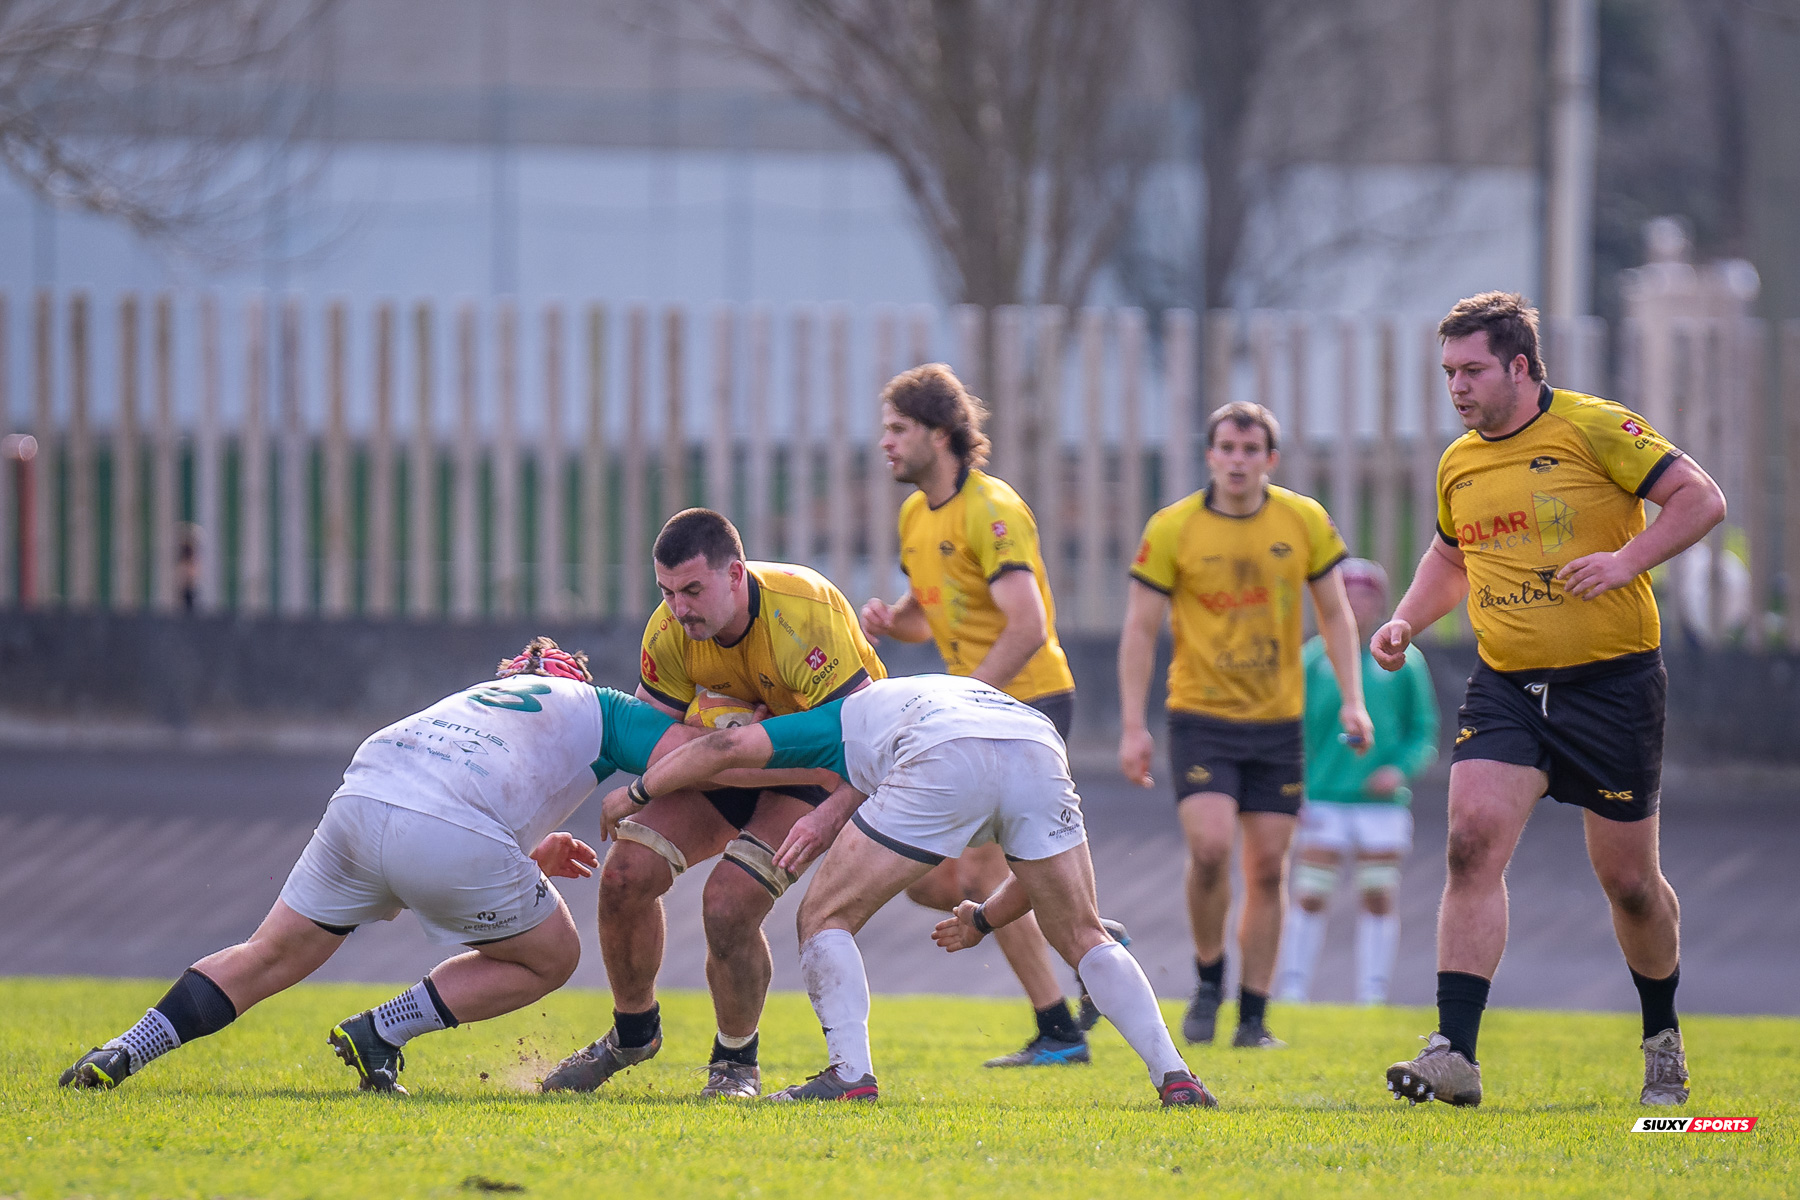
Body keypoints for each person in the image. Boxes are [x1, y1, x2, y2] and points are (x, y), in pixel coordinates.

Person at [1374, 292, 1724, 1108]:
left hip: (1612, 687)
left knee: (1630, 882)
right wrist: (1403, 620)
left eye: (1472, 370)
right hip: (1505, 686)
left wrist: (1627, 560)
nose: (1456, 387)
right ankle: (1453, 1053)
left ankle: (1661, 1041)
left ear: (1521, 367)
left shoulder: (1595, 426)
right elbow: (1450, 559)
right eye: (1448, 372)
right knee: (1469, 844)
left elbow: (1701, 501)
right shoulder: (1459, 460)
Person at [59, 639, 675, 1095]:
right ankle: (382, 1030)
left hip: (363, 795)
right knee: (553, 955)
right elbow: (700, 747)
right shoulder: (598, 706)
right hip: (444, 831)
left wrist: (519, 852)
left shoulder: (477, 699)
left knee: (266, 955)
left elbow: (472, 787)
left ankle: (121, 1052)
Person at [595, 673, 1217, 1108]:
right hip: (1035, 740)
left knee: (825, 914)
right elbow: (1033, 877)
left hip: (942, 750)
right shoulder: (917, 694)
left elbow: (729, 746)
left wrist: (639, 792)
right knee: (1082, 931)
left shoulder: (832, 720)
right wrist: (982, 921)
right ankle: (1176, 1077)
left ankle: (850, 1075)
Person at [542, 508, 884, 1100]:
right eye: (667, 591)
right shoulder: (669, 628)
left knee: (728, 902)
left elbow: (863, 746)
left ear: (736, 575)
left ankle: (734, 1064)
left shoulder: (805, 611)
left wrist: (753, 761)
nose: (679, 608)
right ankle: (632, 1032)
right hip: (725, 761)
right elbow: (653, 737)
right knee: (624, 873)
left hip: (817, 770)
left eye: (693, 590)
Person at [862, 362, 1113, 1068]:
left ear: (939, 435)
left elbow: (1028, 625)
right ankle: (1091, 932)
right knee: (927, 880)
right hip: (979, 706)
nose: (884, 442)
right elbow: (928, 613)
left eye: (897, 429)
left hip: (1027, 701)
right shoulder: (917, 514)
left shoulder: (992, 508)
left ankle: (1059, 1032)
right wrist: (893, 617)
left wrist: (964, 700)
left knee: (976, 876)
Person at [1119, 400, 1374, 1049]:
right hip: (1201, 716)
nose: (1237, 460)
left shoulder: (1303, 520)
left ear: (1270, 459)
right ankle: (1209, 982)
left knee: (1266, 870)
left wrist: (1353, 700)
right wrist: (1131, 725)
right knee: (1209, 851)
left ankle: (1254, 1017)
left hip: (1277, 723)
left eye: (1250, 449)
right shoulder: (1173, 528)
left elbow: (1337, 616)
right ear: (1210, 456)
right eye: (1226, 449)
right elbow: (1140, 630)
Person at [1273, 559, 1439, 1005]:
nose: (1357, 603)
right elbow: (1291, 730)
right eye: (1347, 593)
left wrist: (1400, 770)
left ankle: (1372, 993)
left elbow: (1423, 731)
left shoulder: (1404, 662)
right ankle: (1291, 989)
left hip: (1380, 803)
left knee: (1378, 893)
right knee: (1310, 892)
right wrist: (1295, 787)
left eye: (1366, 594)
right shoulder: (1311, 660)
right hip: (1323, 796)